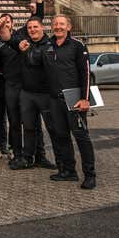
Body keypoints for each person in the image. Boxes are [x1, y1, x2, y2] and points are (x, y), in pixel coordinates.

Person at [42, 15, 96, 189]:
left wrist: (85, 98)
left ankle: (90, 175)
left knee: (81, 137)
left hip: (74, 99)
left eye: (61, 24)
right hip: (54, 101)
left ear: (69, 26)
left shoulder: (77, 45)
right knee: (61, 136)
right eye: (55, 24)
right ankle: (69, 171)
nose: (58, 26)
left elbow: (86, 73)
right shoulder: (47, 46)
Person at [8, 17, 59, 170]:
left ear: (42, 27)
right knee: (29, 128)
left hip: (46, 95)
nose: (32, 30)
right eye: (29, 27)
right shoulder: (24, 44)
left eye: (35, 27)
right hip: (27, 94)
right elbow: (8, 38)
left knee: (53, 129)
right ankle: (28, 159)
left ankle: (60, 161)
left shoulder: (51, 45)